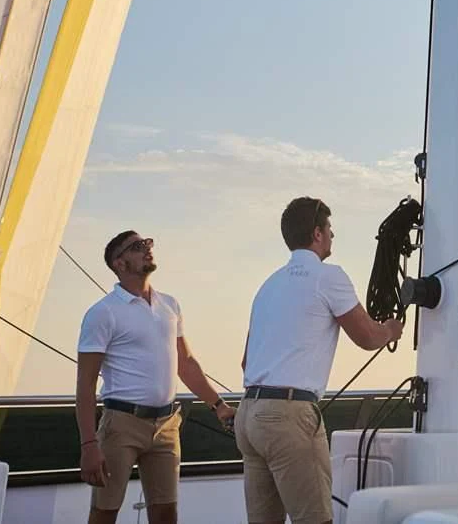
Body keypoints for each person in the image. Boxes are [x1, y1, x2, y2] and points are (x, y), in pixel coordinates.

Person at [237, 197, 404, 524]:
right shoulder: (328, 277)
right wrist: (390, 330)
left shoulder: (268, 286)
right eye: (329, 229)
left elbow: (246, 362)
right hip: (288, 416)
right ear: (317, 233)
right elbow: (367, 337)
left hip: (249, 415)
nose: (332, 235)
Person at [76, 231, 235, 524]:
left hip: (167, 426)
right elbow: (85, 385)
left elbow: (185, 363)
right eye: (137, 247)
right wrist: (88, 446)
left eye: (147, 243)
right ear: (120, 264)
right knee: (105, 512)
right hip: (120, 425)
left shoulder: (170, 305)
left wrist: (219, 405)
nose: (147, 249)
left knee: (165, 514)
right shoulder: (102, 313)